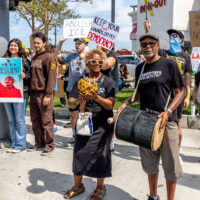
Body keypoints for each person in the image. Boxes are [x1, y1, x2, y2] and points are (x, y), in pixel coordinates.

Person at [117, 33, 184, 200]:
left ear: (157, 46)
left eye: (151, 43)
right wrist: (125, 103)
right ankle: (153, 196)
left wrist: (168, 111)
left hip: (166, 122)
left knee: (171, 166)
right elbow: (137, 94)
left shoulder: (169, 64)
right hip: (145, 122)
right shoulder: (140, 68)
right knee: (149, 164)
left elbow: (180, 92)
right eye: (144, 44)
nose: (147, 47)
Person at [64, 49, 115, 200]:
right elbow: (71, 102)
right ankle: (78, 186)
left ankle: (100, 187)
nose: (97, 64)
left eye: (100, 61)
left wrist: (96, 97)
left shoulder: (108, 81)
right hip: (85, 119)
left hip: (103, 123)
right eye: (93, 61)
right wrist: (81, 99)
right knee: (79, 152)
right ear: (87, 63)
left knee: (101, 155)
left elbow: (110, 105)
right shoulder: (81, 80)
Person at [144, 20, 192, 151]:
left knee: (177, 125)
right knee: (161, 121)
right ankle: (159, 148)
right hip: (164, 93)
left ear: (181, 40)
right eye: (170, 36)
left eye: (175, 36)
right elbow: (151, 47)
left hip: (178, 94)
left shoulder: (185, 57)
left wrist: (188, 96)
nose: (172, 38)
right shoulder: (164, 52)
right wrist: (148, 29)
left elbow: (187, 77)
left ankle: (176, 151)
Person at [55, 37, 88, 145]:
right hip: (71, 89)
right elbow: (57, 55)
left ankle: (85, 135)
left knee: (85, 113)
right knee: (74, 114)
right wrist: (60, 42)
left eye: (80, 43)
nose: (77, 45)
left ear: (85, 44)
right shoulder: (71, 56)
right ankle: (74, 136)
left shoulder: (90, 55)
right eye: (76, 43)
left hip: (85, 90)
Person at [28, 32, 57, 156]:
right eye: (34, 43)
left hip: (43, 93)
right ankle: (39, 143)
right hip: (33, 93)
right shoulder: (35, 57)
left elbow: (52, 77)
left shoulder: (49, 57)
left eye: (38, 43)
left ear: (44, 43)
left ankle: (49, 145)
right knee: (35, 120)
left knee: (46, 120)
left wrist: (48, 94)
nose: (36, 45)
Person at [3, 38, 31, 153]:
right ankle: (14, 143)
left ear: (19, 48)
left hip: (20, 93)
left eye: (15, 45)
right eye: (11, 45)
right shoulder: (4, 60)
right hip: (6, 94)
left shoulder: (25, 61)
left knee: (19, 120)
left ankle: (20, 145)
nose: (13, 47)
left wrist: (25, 76)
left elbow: (30, 77)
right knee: (11, 120)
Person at [97, 46, 118, 151]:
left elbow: (105, 65)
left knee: (108, 114)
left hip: (109, 88)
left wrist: (99, 52)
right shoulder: (100, 54)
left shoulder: (112, 55)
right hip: (98, 86)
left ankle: (111, 142)